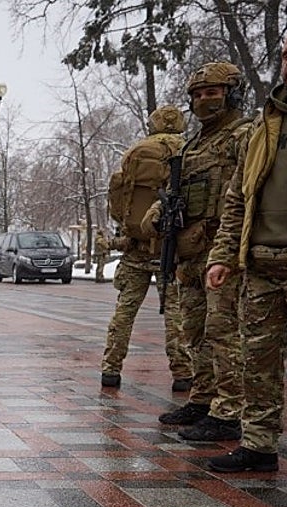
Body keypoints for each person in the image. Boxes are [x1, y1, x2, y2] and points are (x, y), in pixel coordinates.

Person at [206, 22, 287, 488]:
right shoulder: (266, 124)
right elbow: (237, 197)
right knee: (257, 364)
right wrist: (222, 254)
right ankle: (259, 445)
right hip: (261, 266)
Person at [153, 62, 254, 441]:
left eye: (212, 93)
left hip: (222, 253)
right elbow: (172, 192)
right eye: (197, 95)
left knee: (223, 331)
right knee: (192, 330)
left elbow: (248, 191)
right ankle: (204, 397)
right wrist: (157, 215)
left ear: (231, 94)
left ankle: (230, 410)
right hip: (190, 251)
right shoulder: (193, 144)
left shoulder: (242, 135)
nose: (203, 101)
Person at [100, 105, 193, 391]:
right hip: (173, 251)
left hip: (136, 248)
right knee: (176, 318)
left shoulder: (135, 152)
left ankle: (111, 371)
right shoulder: (190, 151)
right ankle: (182, 375)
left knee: (124, 314)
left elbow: (118, 199)